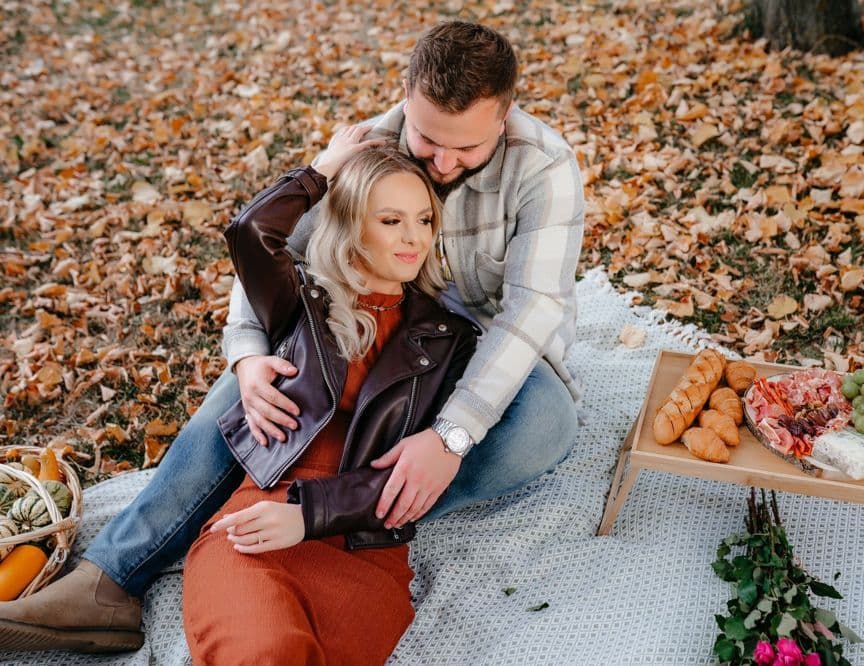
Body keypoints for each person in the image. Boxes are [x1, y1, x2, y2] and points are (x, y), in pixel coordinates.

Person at [0, 20, 584, 653]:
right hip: (370, 328)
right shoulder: (373, 143)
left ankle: (355, 513)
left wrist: (452, 435)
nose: (440, 165)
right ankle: (110, 580)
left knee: (545, 422)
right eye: (426, 140)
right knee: (252, 393)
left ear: (503, 119)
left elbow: (531, 311)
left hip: (471, 351)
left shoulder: (544, 165)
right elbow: (274, 253)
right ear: (408, 97)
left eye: (464, 150)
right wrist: (248, 358)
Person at [181, 138, 477, 663]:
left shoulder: (448, 339)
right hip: (258, 523)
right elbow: (252, 233)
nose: (414, 238)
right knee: (267, 651)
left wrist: (309, 515)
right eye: (390, 221)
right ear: (351, 223)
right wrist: (321, 172)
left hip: (362, 548)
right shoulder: (301, 301)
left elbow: (415, 474)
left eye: (425, 220)